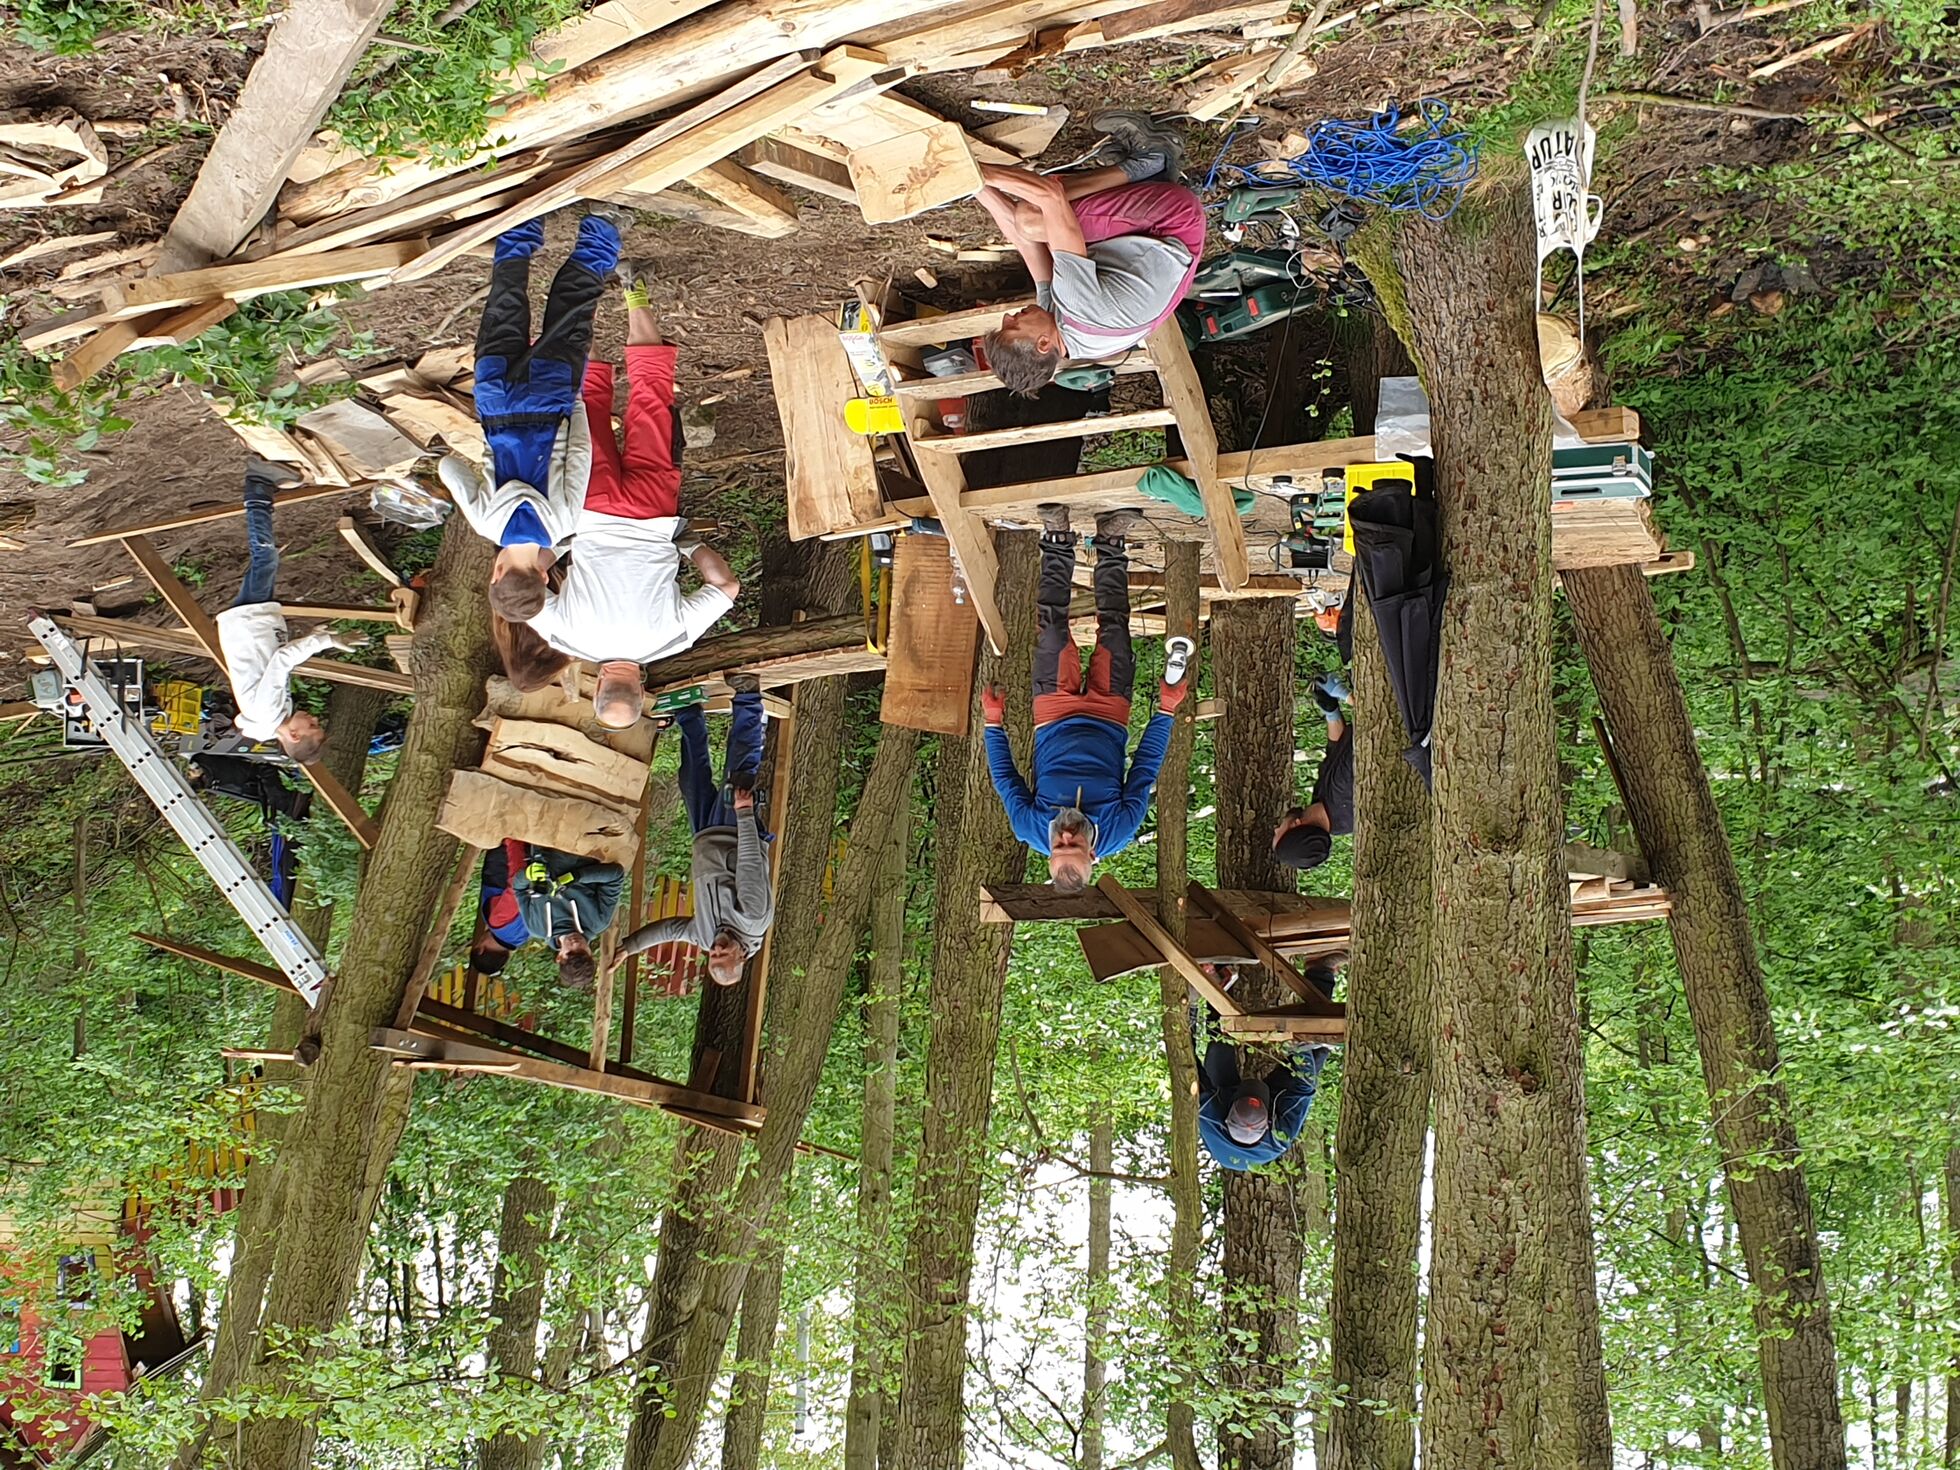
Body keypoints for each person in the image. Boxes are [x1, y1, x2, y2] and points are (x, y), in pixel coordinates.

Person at [520, 259, 742, 729]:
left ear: (641, 689)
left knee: (652, 397)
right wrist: (562, 542)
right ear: (598, 685)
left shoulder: (671, 641)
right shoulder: (565, 637)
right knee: (586, 404)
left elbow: (725, 586)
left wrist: (689, 544)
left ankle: (634, 291)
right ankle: (581, 299)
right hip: (590, 509)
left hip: (653, 510)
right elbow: (530, 579)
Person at [983, 505, 1185, 893]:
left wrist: (993, 722)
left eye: (1058, 846)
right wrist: (1166, 710)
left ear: (1048, 853)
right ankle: (1110, 541)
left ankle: (1057, 540)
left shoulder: (1028, 827)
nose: (1065, 836)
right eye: (1073, 844)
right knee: (1115, 630)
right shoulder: (1119, 829)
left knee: (1053, 630)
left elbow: (1005, 779)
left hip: (1053, 713)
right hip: (1110, 714)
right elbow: (1144, 770)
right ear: (1092, 854)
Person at [445, 212, 623, 625]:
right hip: (496, 400)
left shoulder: (562, 523)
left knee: (572, 311)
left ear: (544, 574)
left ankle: (602, 226)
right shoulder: (486, 523)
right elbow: (448, 468)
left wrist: (575, 406)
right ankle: (523, 221)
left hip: (549, 399)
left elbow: (580, 457)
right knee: (505, 301)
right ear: (497, 572)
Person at [974, 112, 1205, 395]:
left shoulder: (1061, 335)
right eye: (1012, 327)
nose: (1008, 317)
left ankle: (1143, 179)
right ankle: (1151, 160)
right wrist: (976, 168)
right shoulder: (1078, 309)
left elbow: (1026, 245)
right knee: (1032, 217)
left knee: (1033, 229)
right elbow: (1049, 196)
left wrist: (975, 185)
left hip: (1154, 242)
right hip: (1173, 221)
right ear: (1043, 344)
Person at [619, 677, 772, 987]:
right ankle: (748, 696)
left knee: (690, 778)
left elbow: (672, 930)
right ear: (741, 956)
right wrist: (744, 812)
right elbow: (750, 865)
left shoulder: (704, 936)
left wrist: (629, 947)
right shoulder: (753, 919)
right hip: (734, 832)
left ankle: (689, 712)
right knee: (739, 766)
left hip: (704, 835)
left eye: (712, 955)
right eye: (723, 954)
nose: (715, 949)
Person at [213, 456, 362, 763]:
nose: (314, 719)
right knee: (265, 560)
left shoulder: (266, 712)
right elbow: (275, 661)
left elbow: (281, 661)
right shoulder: (278, 714)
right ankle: (260, 489)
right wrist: (312, 636)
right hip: (256, 623)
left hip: (248, 623)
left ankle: (258, 486)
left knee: (265, 558)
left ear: (294, 736)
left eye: (312, 726)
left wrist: (325, 641)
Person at [1193, 966, 1339, 1170]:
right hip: (1275, 1101)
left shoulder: (1209, 1114)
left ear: (1226, 1116)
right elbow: (1303, 1087)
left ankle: (1217, 982)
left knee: (1219, 1042)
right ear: (1270, 1120)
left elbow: (1188, 1062)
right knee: (1315, 1052)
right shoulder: (1281, 1134)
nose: (1253, 1085)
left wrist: (1189, 1009)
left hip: (1223, 1095)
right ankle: (1321, 971)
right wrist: (1298, 1044)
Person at [509, 842, 625, 991]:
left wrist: (527, 875)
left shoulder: (536, 927)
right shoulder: (598, 921)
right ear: (590, 953)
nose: (576, 944)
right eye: (581, 951)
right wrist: (576, 877)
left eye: (571, 952)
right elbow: (616, 875)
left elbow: (518, 888)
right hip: (582, 846)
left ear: (559, 957)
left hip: (541, 844)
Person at [1273, 672, 1353, 872]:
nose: (1276, 828)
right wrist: (1346, 695)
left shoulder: (1326, 810)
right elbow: (1377, 725)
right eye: (1278, 832)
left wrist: (1332, 713)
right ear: (1295, 825)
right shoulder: (1345, 791)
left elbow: (1336, 752)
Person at [187, 750, 310, 823]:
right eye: (191, 772)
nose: (190, 770)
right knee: (267, 776)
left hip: (252, 779)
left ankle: (291, 805)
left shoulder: (212, 782)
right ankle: (290, 804)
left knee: (267, 778)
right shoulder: (207, 767)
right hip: (253, 774)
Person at [471, 839, 534, 978]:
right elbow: (516, 884)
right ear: (481, 949)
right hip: (510, 853)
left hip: (532, 857)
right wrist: (512, 842)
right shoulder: (499, 923)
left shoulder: (528, 934)